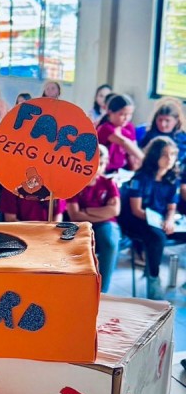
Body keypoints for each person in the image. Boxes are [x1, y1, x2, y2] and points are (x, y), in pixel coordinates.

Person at [119, 137, 181, 299]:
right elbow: (136, 210)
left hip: (159, 220)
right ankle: (153, 278)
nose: (170, 159)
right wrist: (160, 223)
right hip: (137, 220)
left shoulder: (172, 179)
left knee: (166, 233)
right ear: (155, 156)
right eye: (165, 155)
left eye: (173, 155)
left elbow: (171, 207)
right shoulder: (140, 178)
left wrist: (169, 220)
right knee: (157, 236)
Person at [66, 145, 121, 293]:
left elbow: (115, 210)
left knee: (109, 242)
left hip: (106, 224)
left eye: (102, 164)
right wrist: (103, 211)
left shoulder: (109, 183)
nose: (98, 168)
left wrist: (87, 211)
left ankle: (103, 291)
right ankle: (76, 289)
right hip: (81, 224)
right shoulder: (75, 183)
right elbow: (74, 215)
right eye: (94, 164)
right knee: (75, 245)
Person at [97, 94, 143, 173]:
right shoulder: (105, 128)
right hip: (104, 171)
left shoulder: (129, 127)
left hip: (122, 171)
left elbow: (133, 149)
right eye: (122, 114)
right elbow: (124, 142)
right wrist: (144, 159)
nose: (126, 118)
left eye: (130, 114)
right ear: (110, 112)